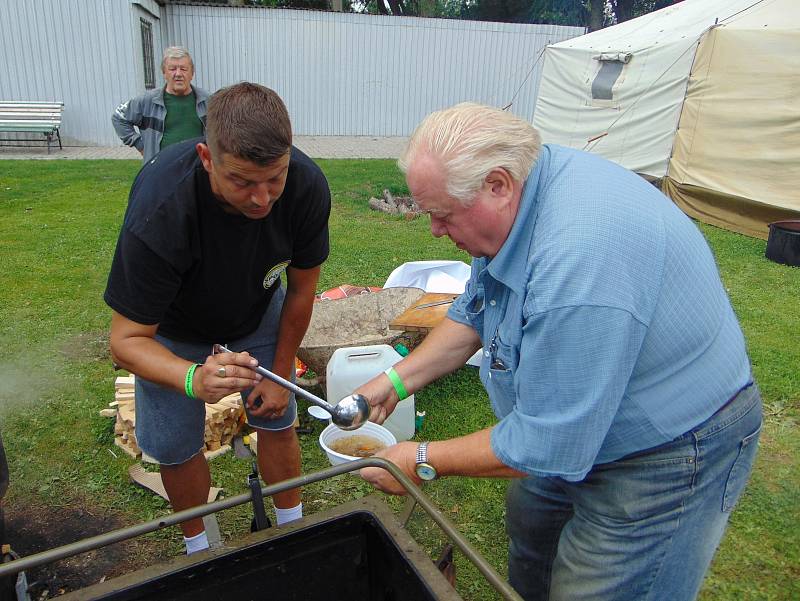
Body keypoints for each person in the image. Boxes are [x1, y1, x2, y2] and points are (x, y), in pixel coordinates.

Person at [356, 103, 762, 601]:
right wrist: (393, 382)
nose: (436, 231)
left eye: (442, 215)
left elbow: (547, 442)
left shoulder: (579, 262)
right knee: (534, 541)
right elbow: (476, 309)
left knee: (599, 589)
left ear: (498, 185)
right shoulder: (520, 198)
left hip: (667, 445)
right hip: (570, 419)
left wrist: (419, 457)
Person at [105, 82, 331, 555]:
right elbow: (126, 340)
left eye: (274, 178)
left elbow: (303, 287)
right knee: (174, 445)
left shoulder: (306, 186)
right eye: (243, 181)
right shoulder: (161, 208)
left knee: (277, 416)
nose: (262, 199)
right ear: (208, 158)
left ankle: (292, 532)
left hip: (258, 307)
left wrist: (283, 367)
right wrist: (190, 379)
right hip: (171, 328)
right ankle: (201, 550)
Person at [112, 46, 209, 164]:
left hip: (197, 169)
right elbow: (119, 117)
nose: (178, 74)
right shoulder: (147, 101)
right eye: (172, 69)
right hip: (160, 170)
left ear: (192, 73)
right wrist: (140, 145)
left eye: (183, 69)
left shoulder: (207, 101)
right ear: (164, 73)